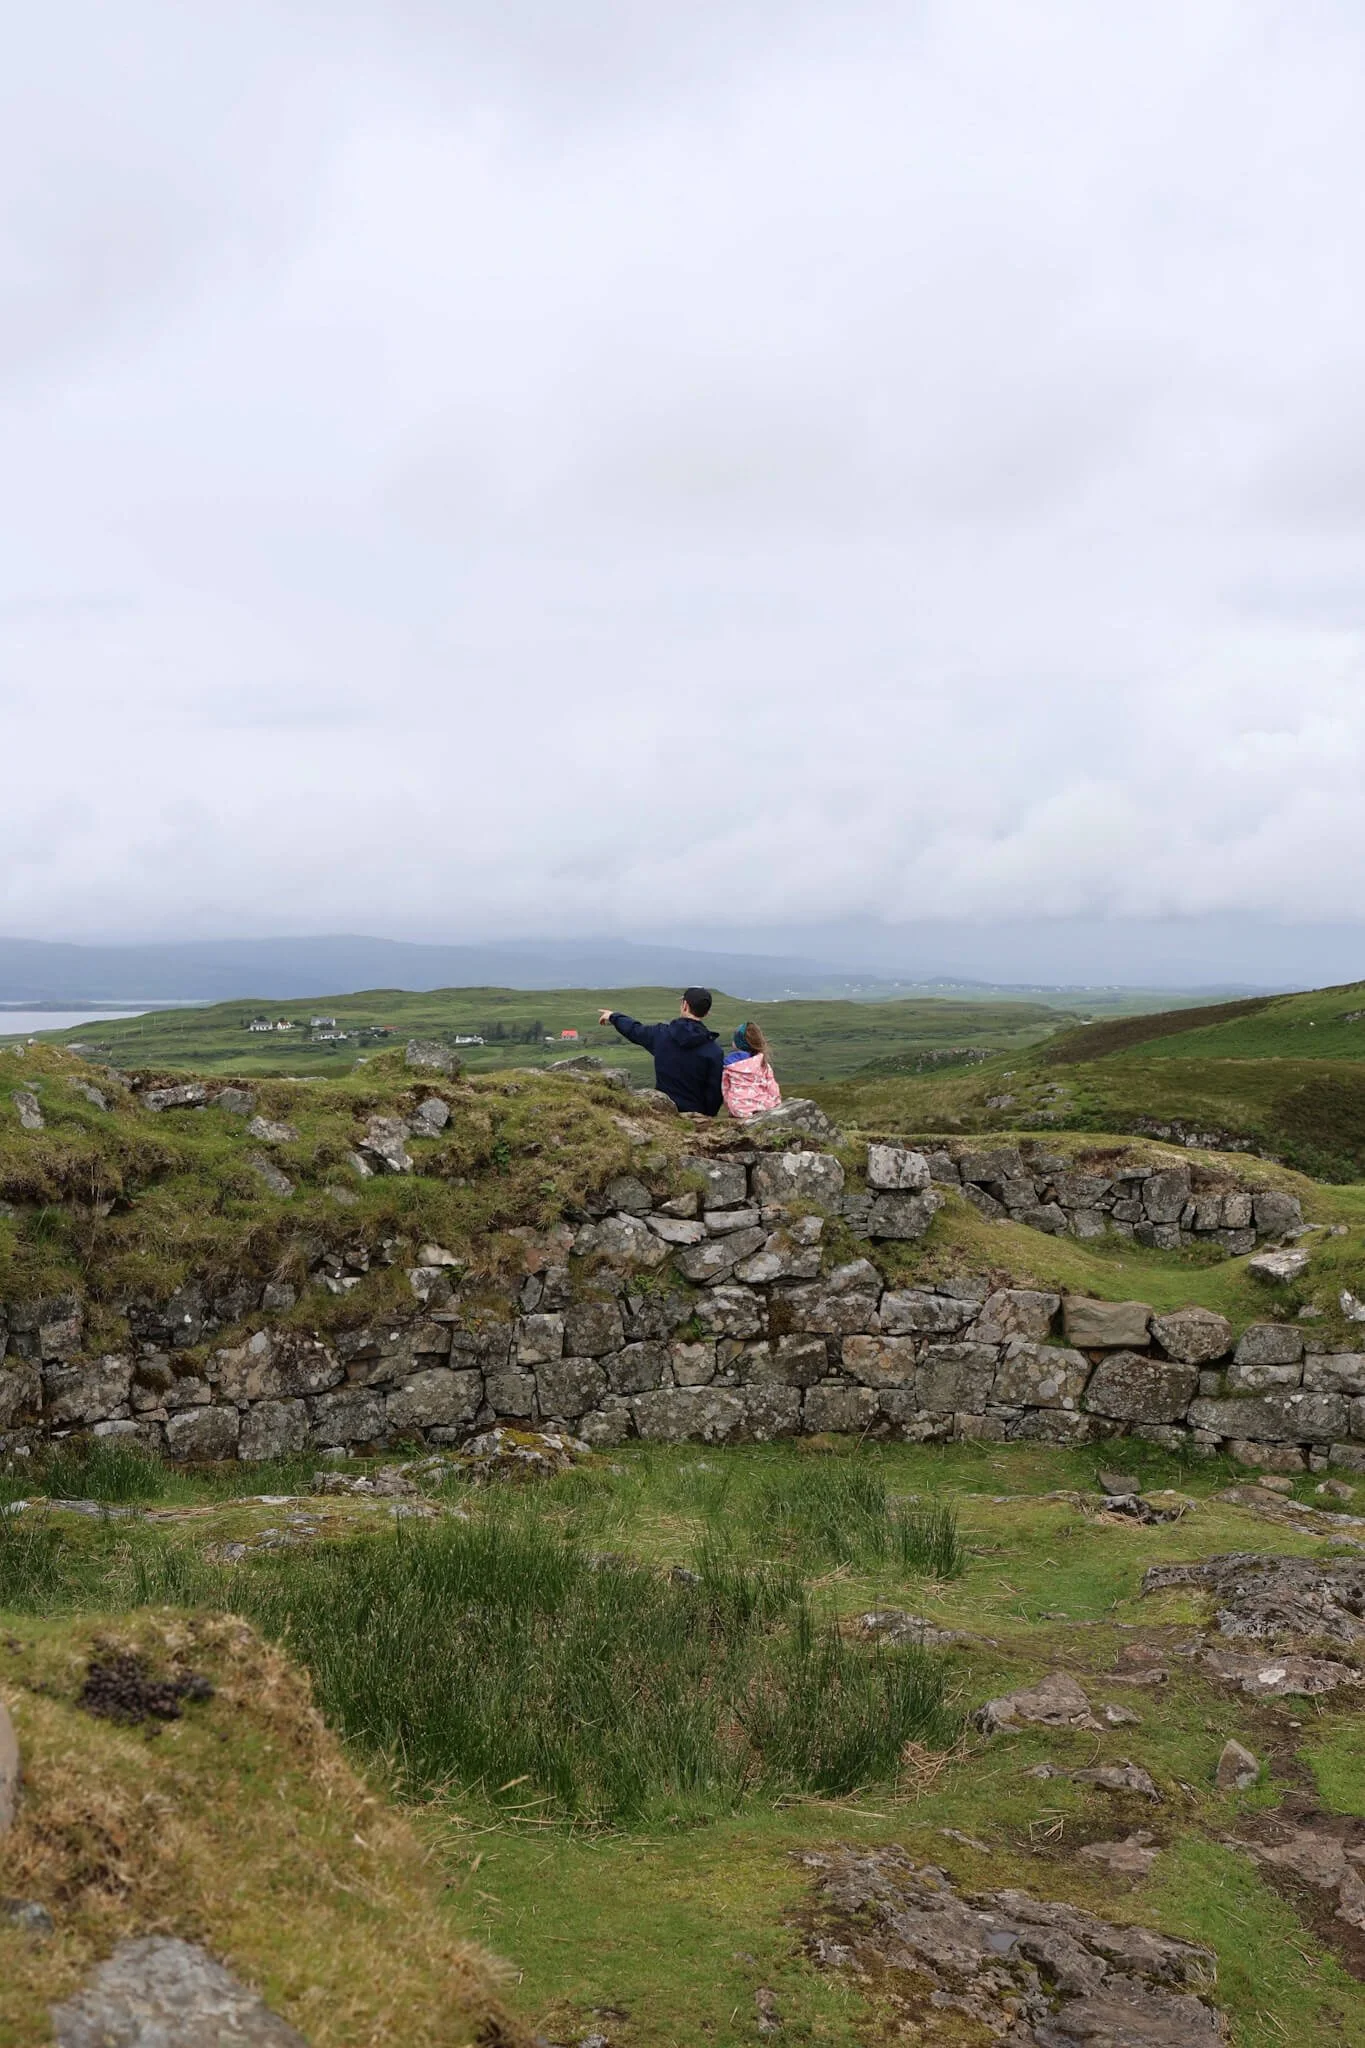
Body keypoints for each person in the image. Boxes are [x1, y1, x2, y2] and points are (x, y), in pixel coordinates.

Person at [598, 987, 724, 1115]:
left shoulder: (661, 1034)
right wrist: (706, 1116)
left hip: (664, 1112)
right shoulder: (714, 1051)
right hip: (697, 1116)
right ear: (707, 1012)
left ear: (685, 1005)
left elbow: (635, 1030)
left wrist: (613, 1017)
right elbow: (714, 1093)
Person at [722, 1019, 782, 1120]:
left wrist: (731, 1106)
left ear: (737, 1043)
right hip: (762, 1107)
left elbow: (725, 1089)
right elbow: (773, 1089)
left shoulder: (729, 1066)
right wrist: (776, 1103)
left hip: (738, 1109)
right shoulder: (763, 1064)